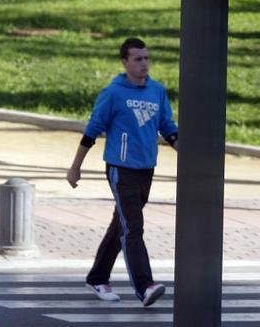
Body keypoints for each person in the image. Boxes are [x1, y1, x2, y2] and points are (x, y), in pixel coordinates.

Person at [67, 37, 179, 307]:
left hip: (146, 169)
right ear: (125, 62)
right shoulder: (113, 93)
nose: (144, 64)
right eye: (138, 59)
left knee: (122, 224)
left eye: (146, 58)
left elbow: (168, 127)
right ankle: (145, 286)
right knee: (133, 228)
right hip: (121, 169)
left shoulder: (157, 91)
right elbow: (92, 131)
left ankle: (97, 277)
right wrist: (75, 167)